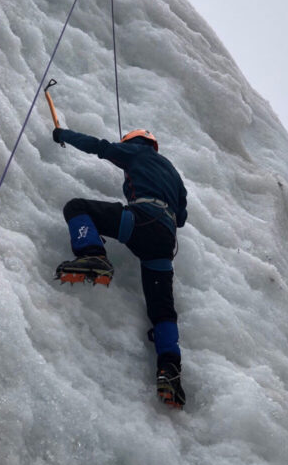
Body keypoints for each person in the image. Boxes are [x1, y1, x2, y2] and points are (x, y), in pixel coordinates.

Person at [53, 127, 187, 409]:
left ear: (135, 142)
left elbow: (99, 146)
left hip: (142, 220)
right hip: (165, 242)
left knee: (76, 207)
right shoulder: (174, 174)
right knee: (162, 310)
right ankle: (169, 370)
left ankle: (93, 254)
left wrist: (62, 134)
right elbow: (182, 216)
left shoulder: (135, 152)